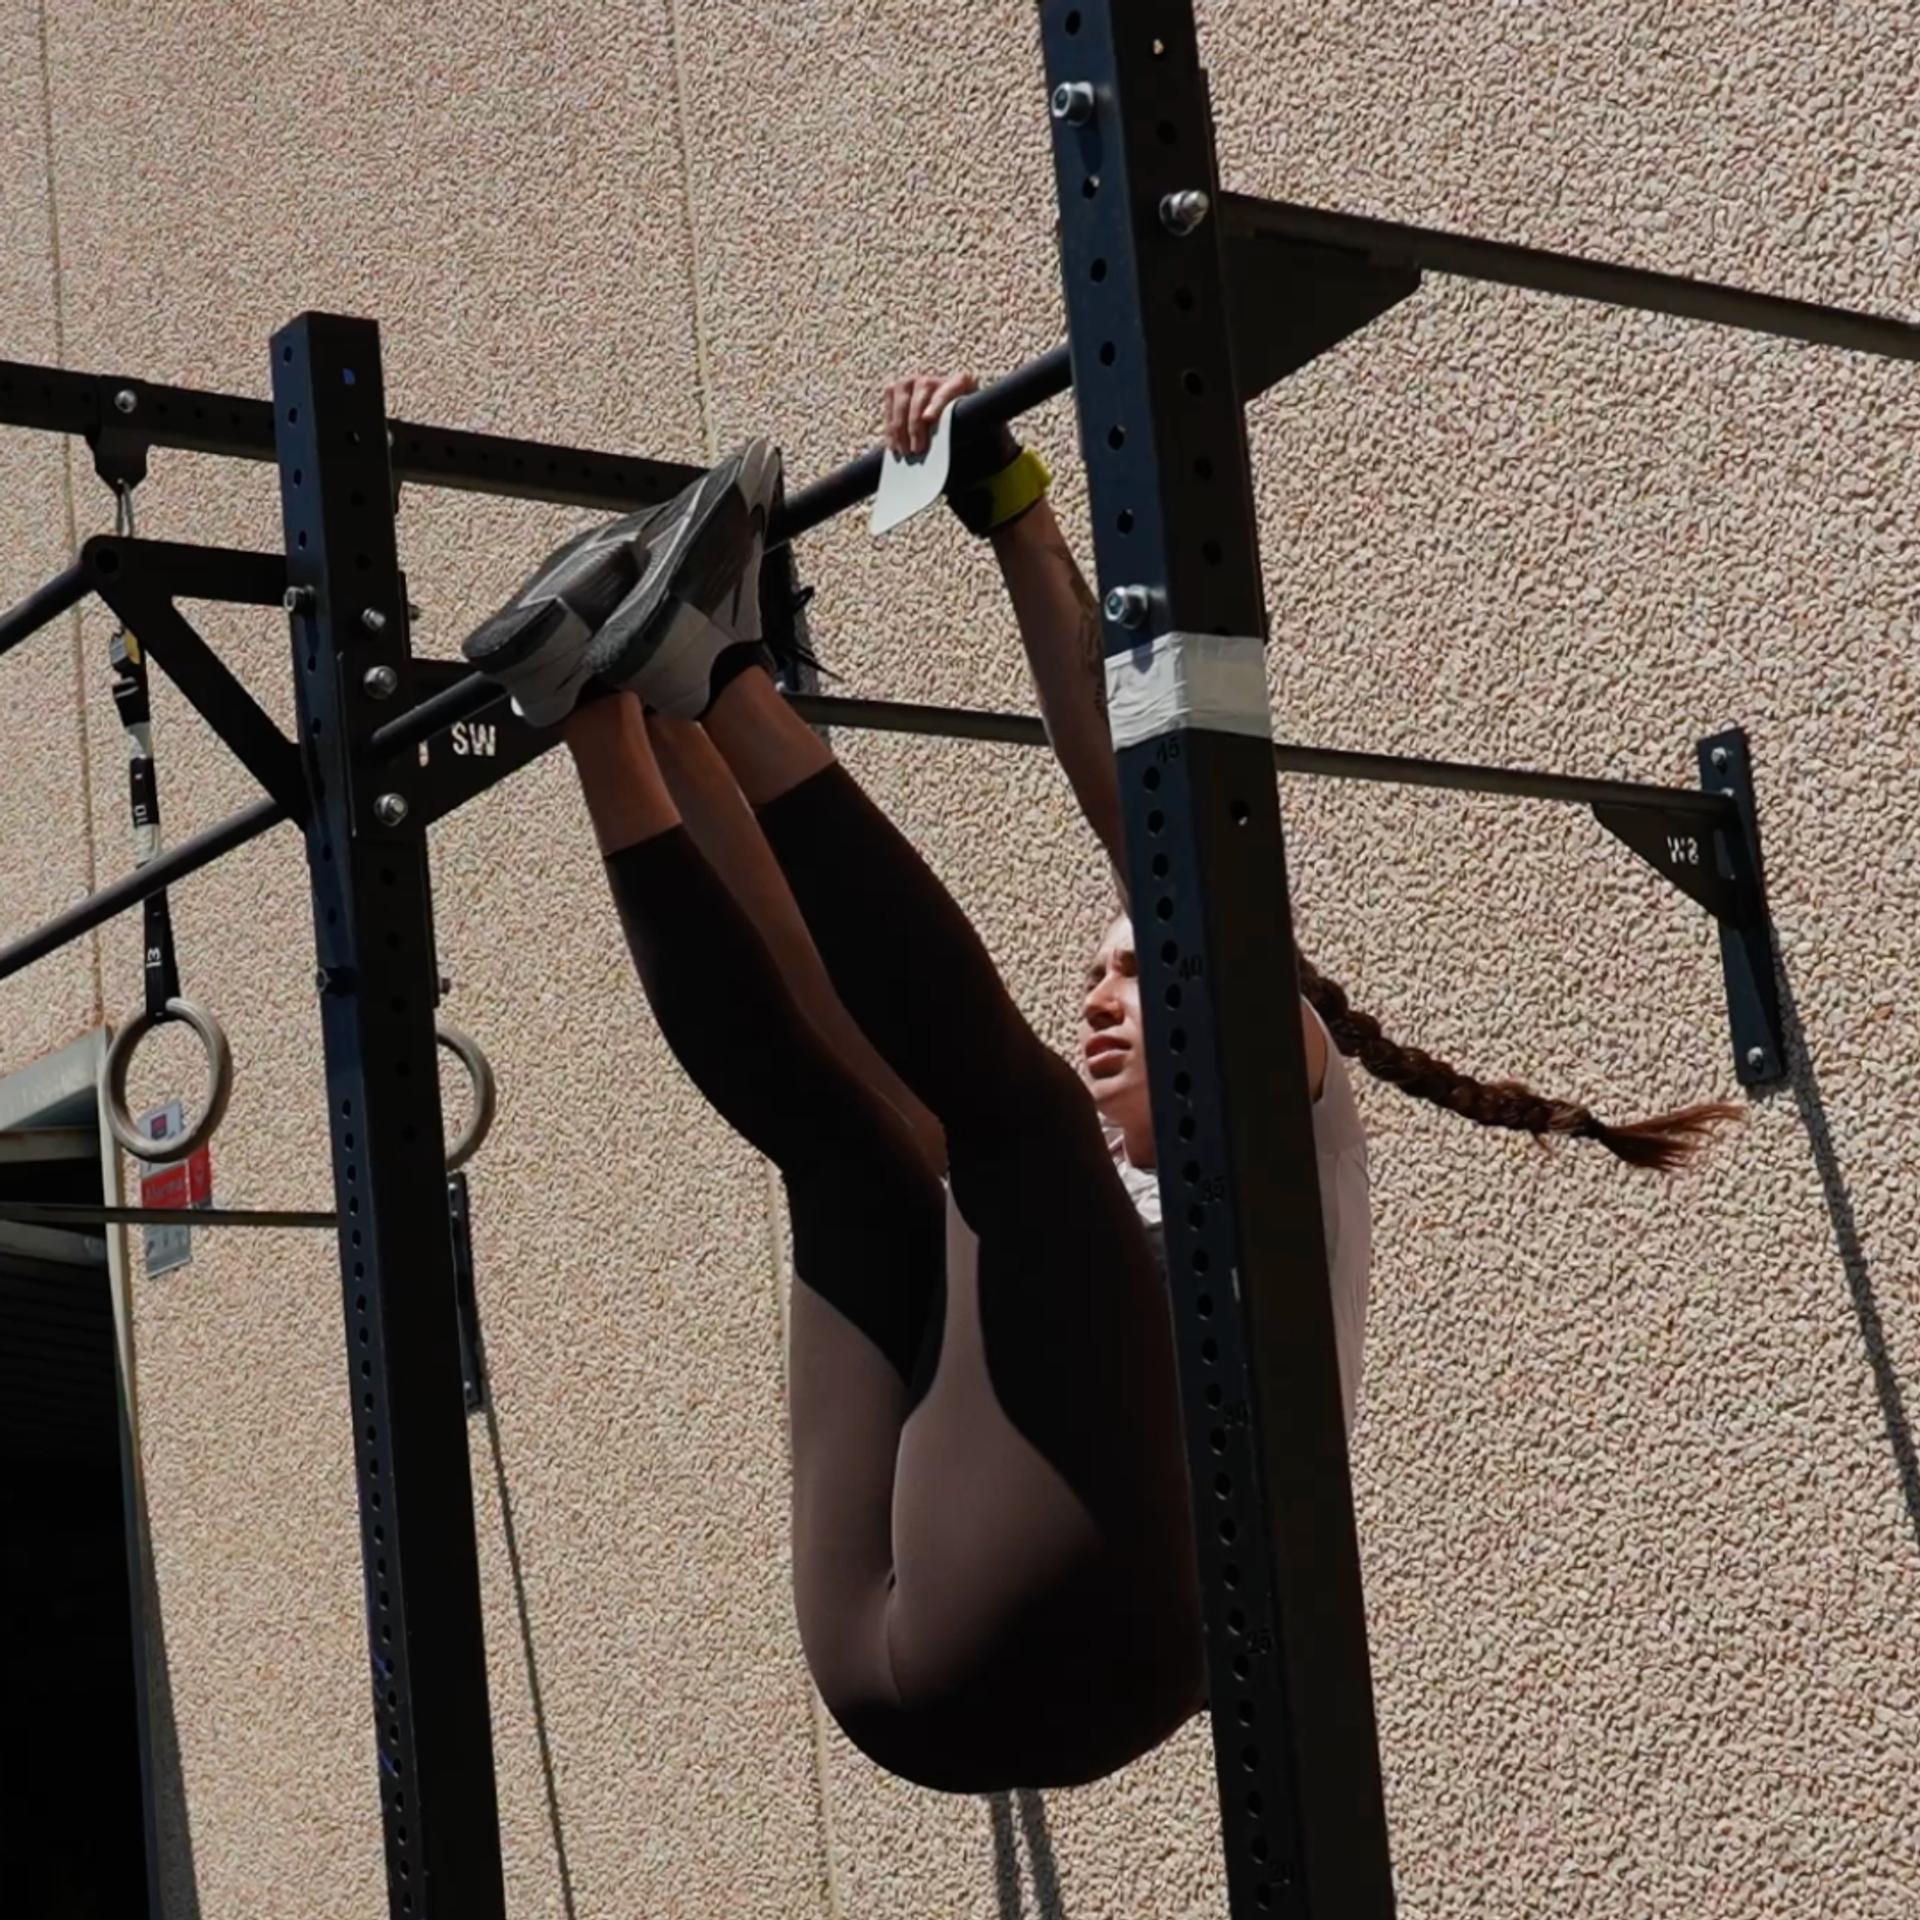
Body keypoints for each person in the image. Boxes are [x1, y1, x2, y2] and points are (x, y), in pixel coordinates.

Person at [460, 380, 1741, 1792]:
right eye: (1099, 973)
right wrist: (668, 719)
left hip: (1094, 1626)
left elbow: (1145, 803)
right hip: (896, 1645)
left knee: (995, 1127)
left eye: (1135, 971)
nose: (1097, 996)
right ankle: (595, 708)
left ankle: (707, 675)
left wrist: (1008, 527)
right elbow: (802, 976)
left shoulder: (1281, 1127)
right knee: (853, 1146)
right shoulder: (1044, 1223)